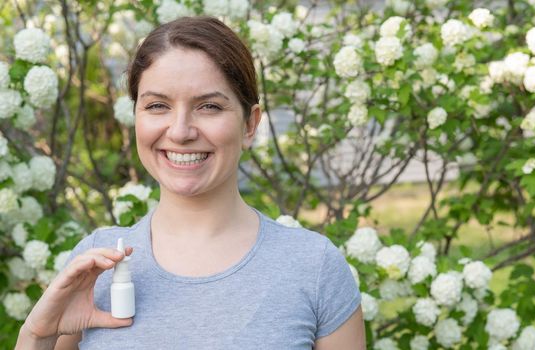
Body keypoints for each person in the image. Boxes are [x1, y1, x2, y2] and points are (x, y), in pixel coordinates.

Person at [16, 16, 364, 350]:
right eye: (157, 106)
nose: (180, 131)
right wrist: (38, 335)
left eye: (209, 106)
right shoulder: (94, 267)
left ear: (249, 125)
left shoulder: (313, 267)